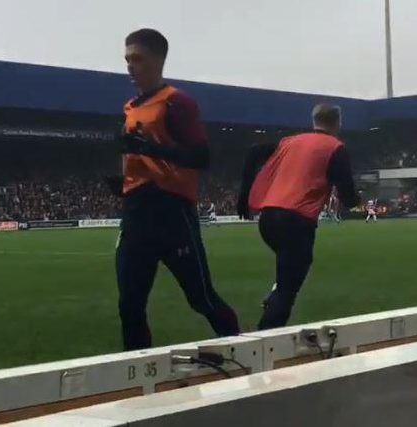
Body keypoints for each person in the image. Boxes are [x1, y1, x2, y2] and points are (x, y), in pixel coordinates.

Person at [107, 28, 240, 350]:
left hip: (171, 213)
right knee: (130, 304)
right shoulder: (129, 107)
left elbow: (201, 157)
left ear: (158, 59)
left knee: (202, 298)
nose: (130, 67)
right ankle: (139, 375)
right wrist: (123, 184)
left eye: (137, 59)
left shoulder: (176, 102)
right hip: (136, 213)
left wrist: (152, 150)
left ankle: (243, 354)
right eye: (127, 60)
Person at [237, 104, 358, 330]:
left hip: (268, 218)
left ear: (314, 120)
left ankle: (274, 297)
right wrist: (355, 200)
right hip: (296, 221)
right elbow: (348, 196)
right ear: (338, 123)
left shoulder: (289, 141)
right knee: (288, 288)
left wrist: (243, 197)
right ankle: (265, 337)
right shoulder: (335, 147)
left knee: (290, 269)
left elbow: (254, 151)